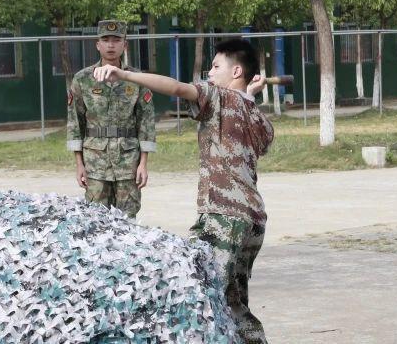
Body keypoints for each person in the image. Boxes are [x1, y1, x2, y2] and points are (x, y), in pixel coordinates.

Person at [93, 38, 272, 343]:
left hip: (223, 217)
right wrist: (248, 93)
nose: (209, 73)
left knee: (195, 290)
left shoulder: (217, 96)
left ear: (236, 71)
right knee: (233, 303)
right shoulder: (258, 117)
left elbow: (176, 88)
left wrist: (124, 74)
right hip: (253, 221)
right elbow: (246, 114)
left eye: (215, 67)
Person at [66, 20, 156, 219]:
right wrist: (79, 164)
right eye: (105, 40)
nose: (110, 45)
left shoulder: (137, 78)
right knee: (96, 220)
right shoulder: (83, 79)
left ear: (125, 45)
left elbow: (146, 122)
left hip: (128, 162)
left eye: (116, 40)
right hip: (95, 163)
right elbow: (75, 123)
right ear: (97, 44)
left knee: (128, 219)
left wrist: (143, 163)